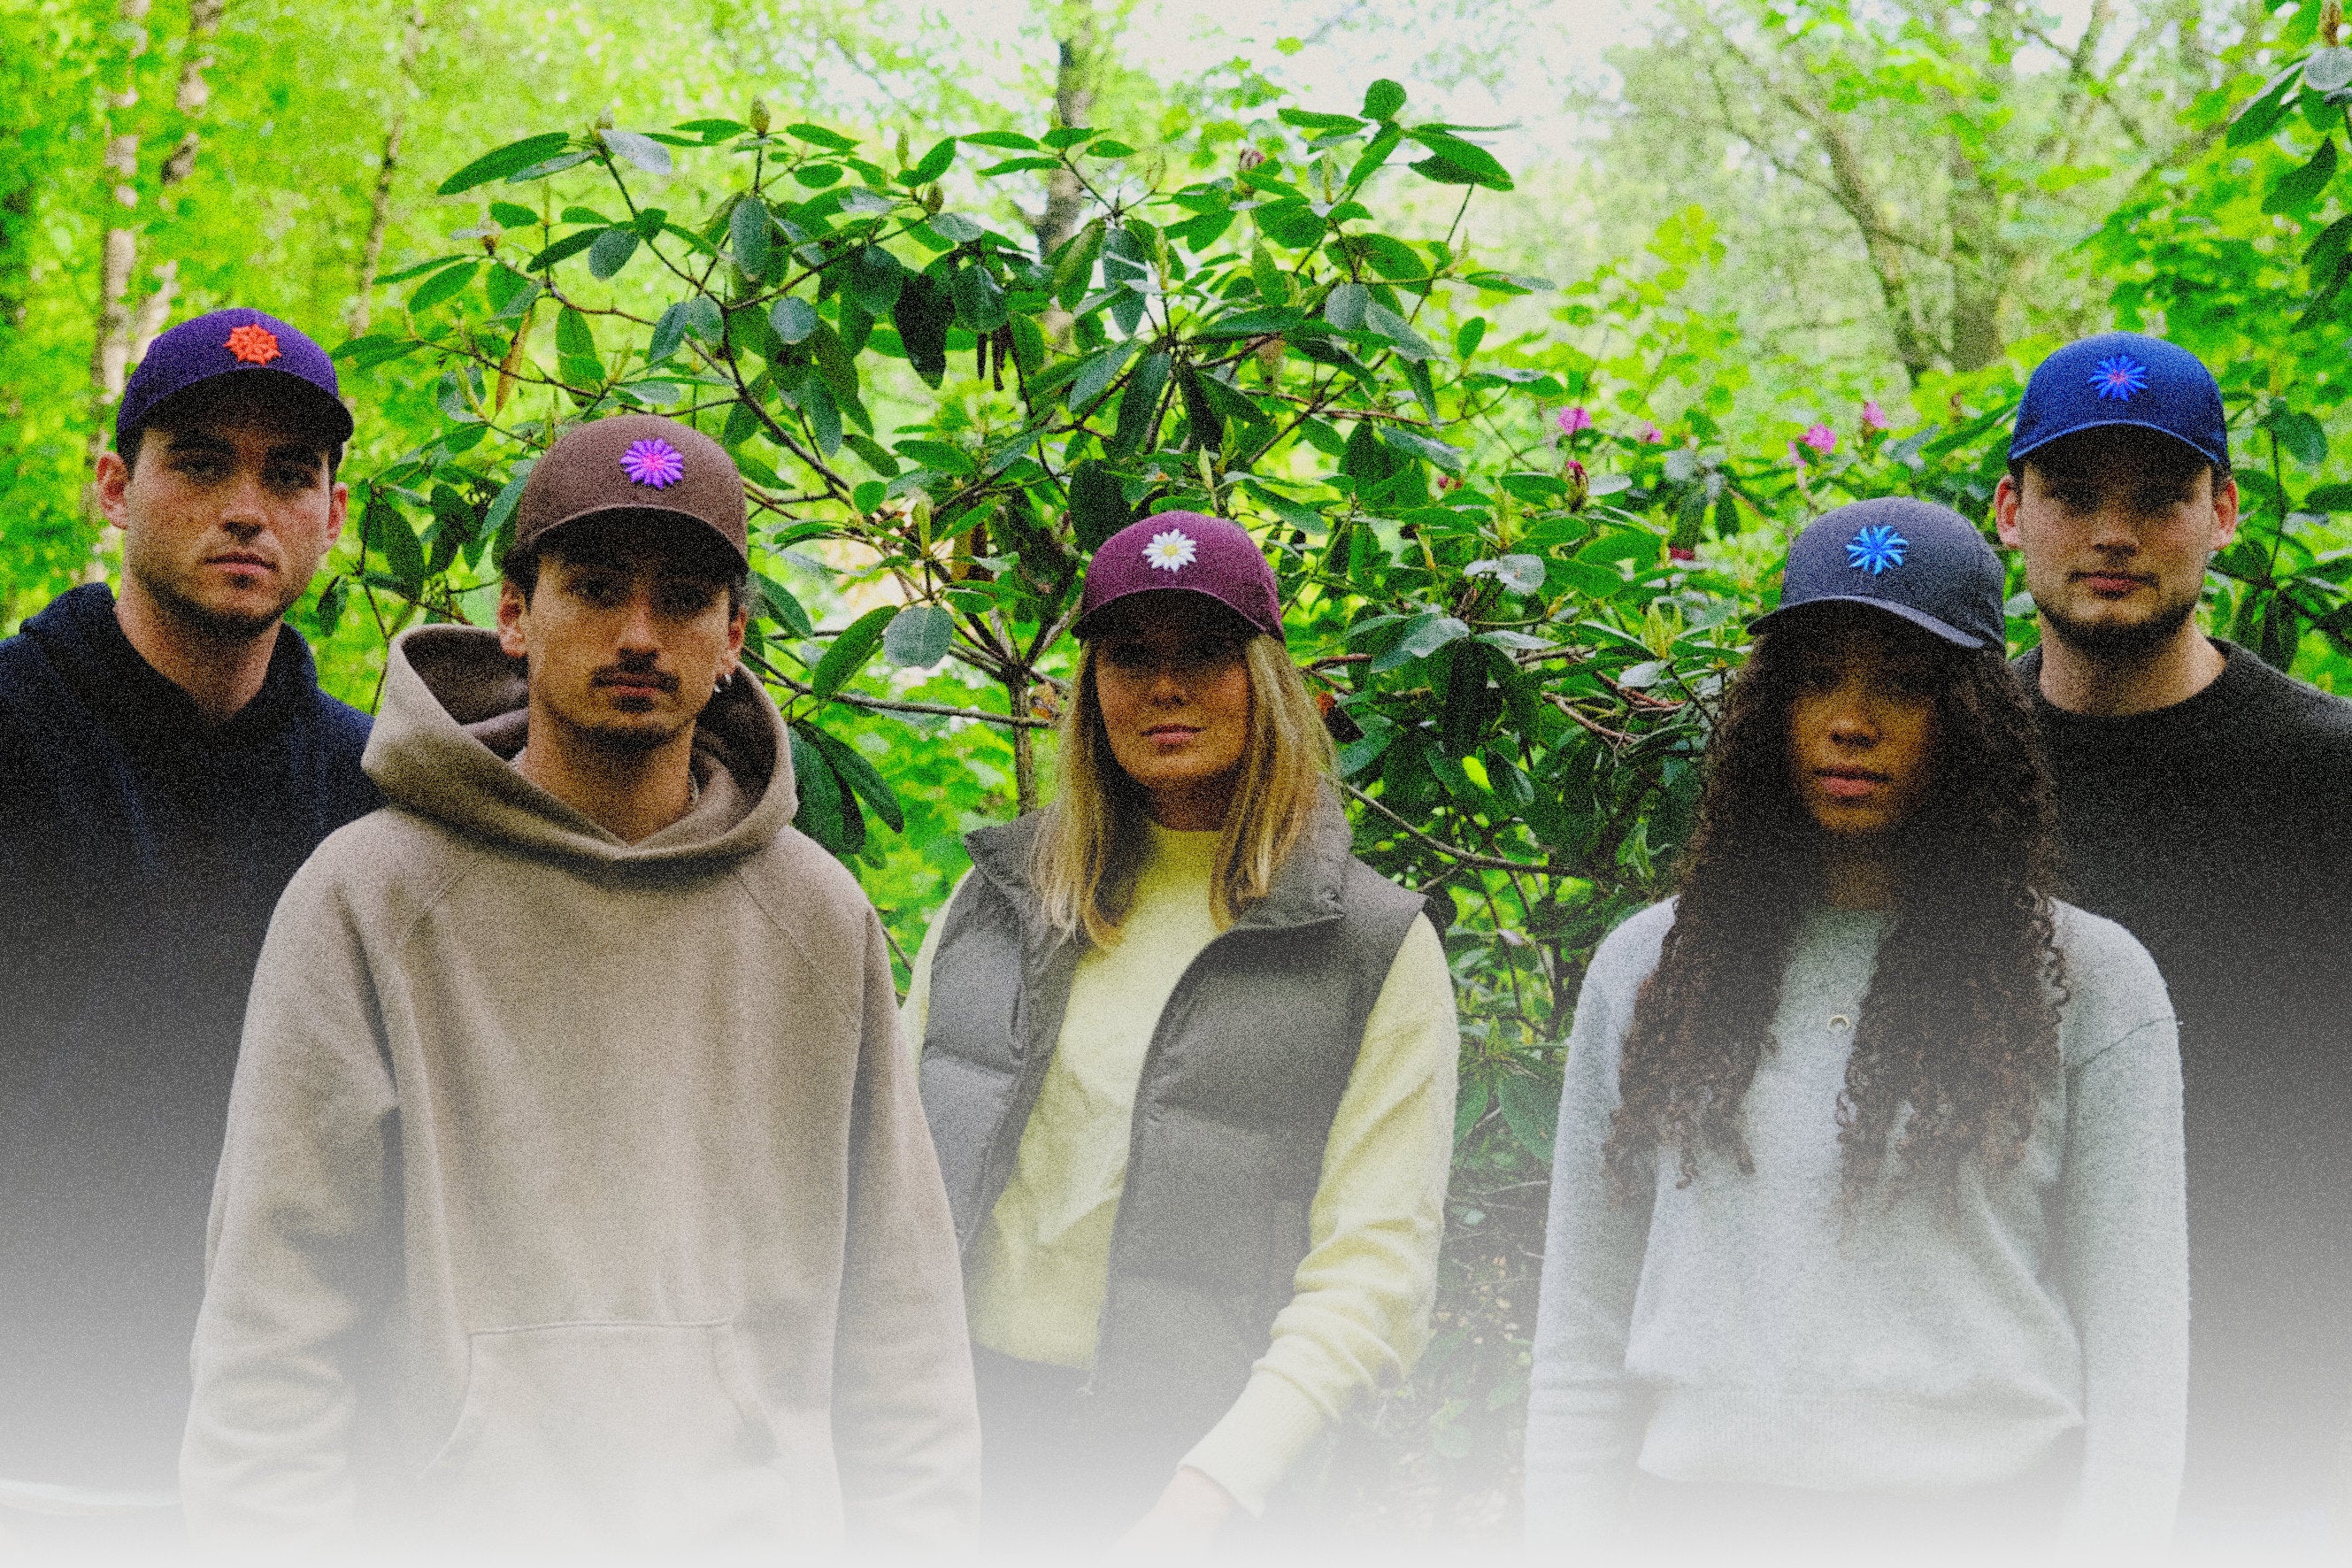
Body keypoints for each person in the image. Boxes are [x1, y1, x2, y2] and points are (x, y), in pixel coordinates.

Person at [179, 414, 980, 1553]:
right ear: (515, 613)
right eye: (596, 587)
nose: (640, 634)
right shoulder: (367, 896)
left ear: (735, 634)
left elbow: (905, 1327)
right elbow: (273, 1324)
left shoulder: (814, 915)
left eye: (686, 599)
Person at [1525, 498, 2187, 1554]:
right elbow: (1578, 1336)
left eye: (1905, 684)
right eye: (1817, 675)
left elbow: (2142, 1362)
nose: (1851, 717)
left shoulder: (2092, 983)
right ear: (1770, 706)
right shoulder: (1649, 968)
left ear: (1974, 718)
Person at [902, 511, 1459, 1548]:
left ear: (1266, 676)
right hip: (962, 1451)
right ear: (1091, 687)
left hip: (1200, 1481)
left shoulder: (1370, 945)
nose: (1166, 686)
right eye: (1131, 655)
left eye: (1203, 651)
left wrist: (1208, 1493)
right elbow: (885, 1185)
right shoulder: (998, 901)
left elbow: (1373, 1272)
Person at [0, 308, 374, 1549]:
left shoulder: (373, 791)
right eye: (200, 461)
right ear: (116, 486)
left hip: (289, 1455)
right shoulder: (16, 731)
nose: (246, 508)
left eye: (288, 475)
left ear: (330, 513)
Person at [1995, 330, 2352, 1538]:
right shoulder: (1941, 768)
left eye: (2157, 497)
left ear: (2222, 512)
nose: (2112, 532)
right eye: (2072, 494)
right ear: (2008, 509)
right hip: (2001, 1406)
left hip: (2280, 1400)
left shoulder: (2327, 774)